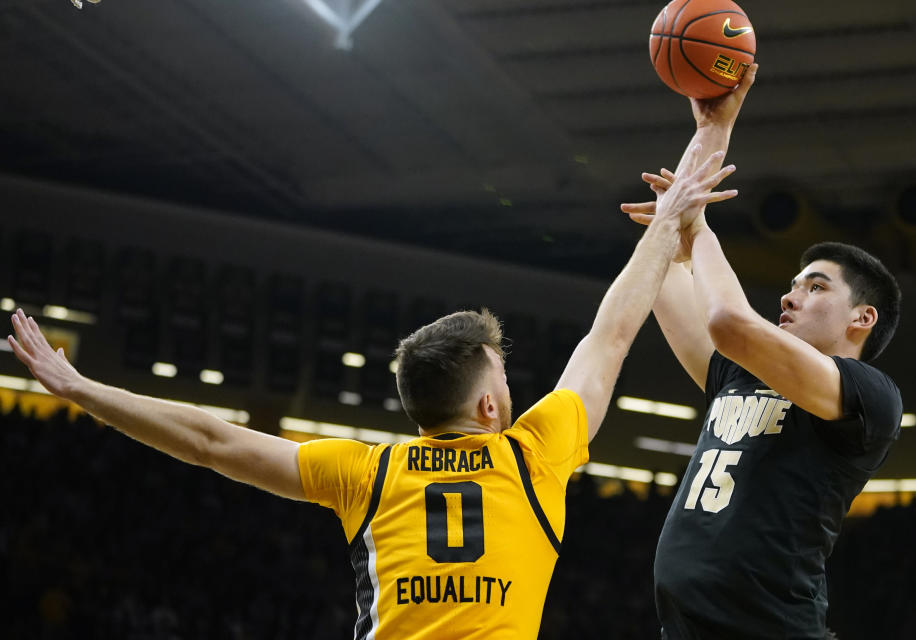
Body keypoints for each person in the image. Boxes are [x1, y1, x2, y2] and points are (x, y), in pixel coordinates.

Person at [7, 149, 736, 640]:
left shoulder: (369, 472)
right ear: (488, 407)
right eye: (504, 378)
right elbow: (609, 335)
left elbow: (208, 441)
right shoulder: (534, 455)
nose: (512, 390)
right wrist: (673, 221)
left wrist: (83, 389)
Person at [623, 64, 903, 639]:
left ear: (862, 318)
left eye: (816, 285)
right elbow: (660, 274)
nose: (791, 292)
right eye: (795, 282)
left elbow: (727, 320)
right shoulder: (736, 375)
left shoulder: (867, 396)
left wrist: (699, 229)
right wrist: (714, 128)